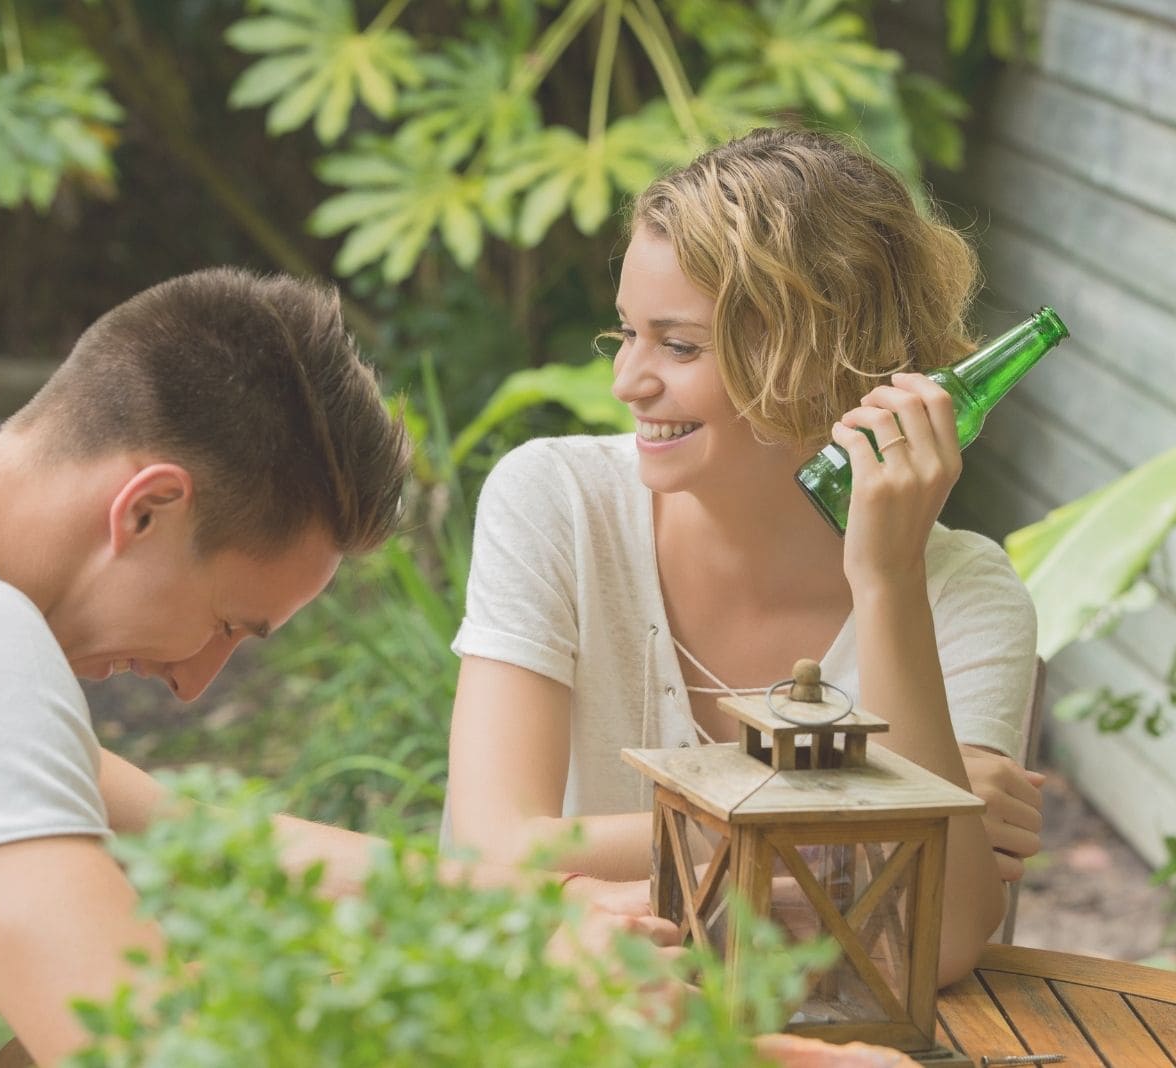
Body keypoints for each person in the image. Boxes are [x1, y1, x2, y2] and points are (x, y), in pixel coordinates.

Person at [0, 268, 670, 1068]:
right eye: (227, 623)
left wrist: (513, 908)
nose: (194, 682)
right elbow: (153, 1051)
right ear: (145, 508)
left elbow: (197, 838)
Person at [443, 127, 1045, 987]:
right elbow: (497, 849)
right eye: (627, 335)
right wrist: (841, 814)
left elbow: (937, 943)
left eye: (679, 346)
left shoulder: (962, 593)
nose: (628, 383)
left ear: (821, 358)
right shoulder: (556, 502)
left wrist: (887, 582)